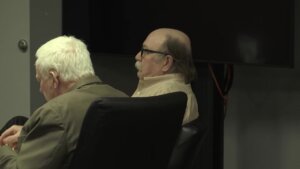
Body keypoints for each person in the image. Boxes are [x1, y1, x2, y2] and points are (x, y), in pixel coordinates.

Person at [0, 36, 127, 169]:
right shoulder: (124, 99)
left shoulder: (55, 113)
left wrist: (3, 148)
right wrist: (28, 136)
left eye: (40, 80)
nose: (40, 88)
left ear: (54, 79)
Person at [132, 28, 199, 124]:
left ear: (166, 62)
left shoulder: (162, 98)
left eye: (145, 51)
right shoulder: (174, 93)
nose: (138, 56)